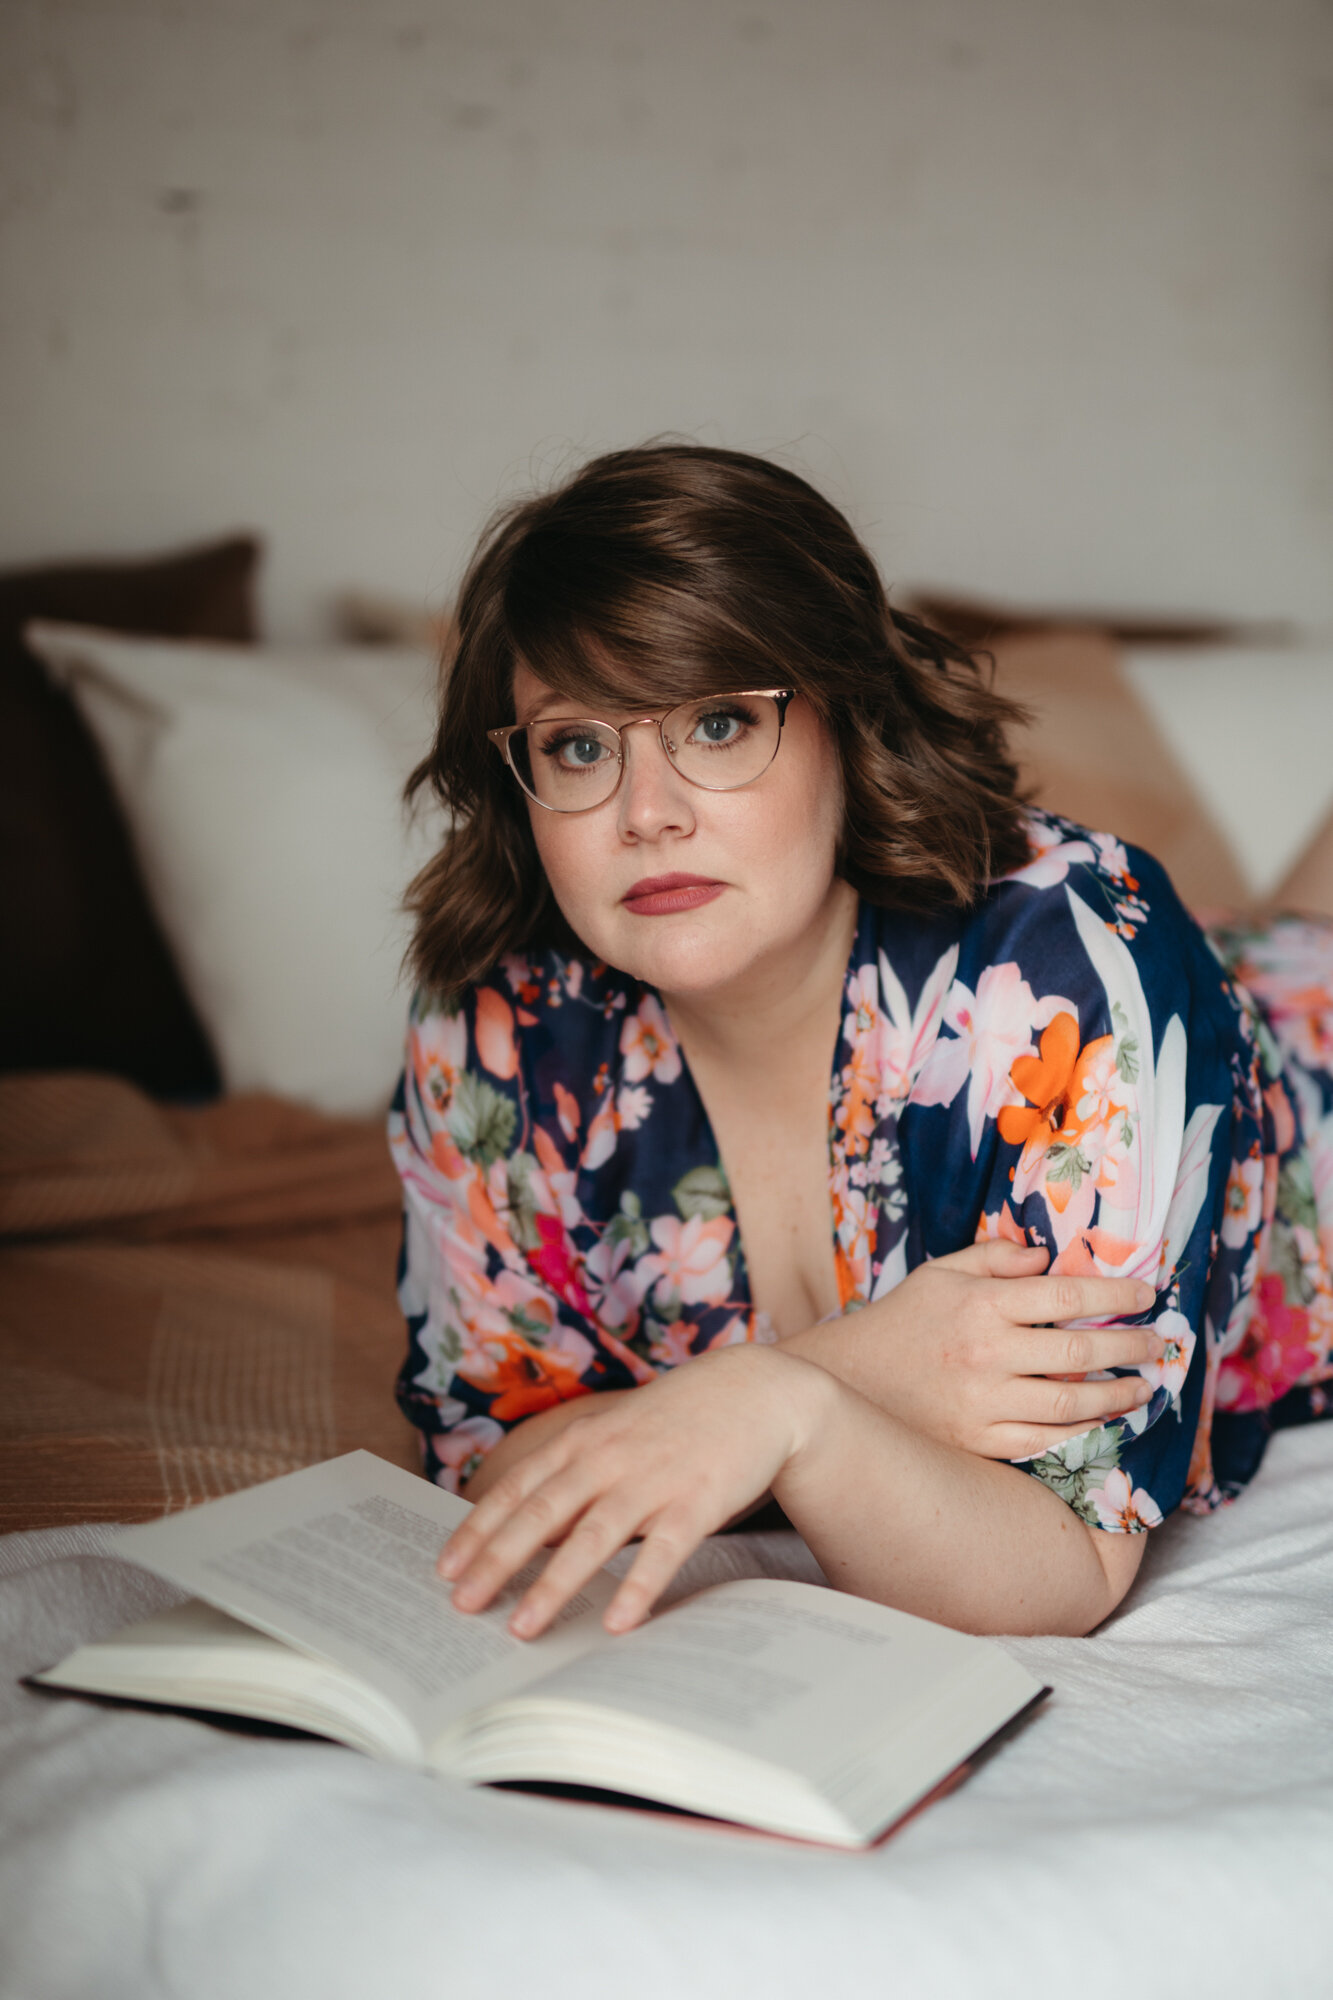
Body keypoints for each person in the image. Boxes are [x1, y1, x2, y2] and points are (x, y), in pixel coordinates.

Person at [389, 443, 1333, 1645]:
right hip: (1207, 984)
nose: (646, 812)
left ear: (850, 719)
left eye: (720, 723)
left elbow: (1064, 1567)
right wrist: (828, 1381)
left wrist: (759, 1410)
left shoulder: (1067, 969)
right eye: (579, 745)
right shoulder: (491, 1039)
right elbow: (492, 1461)